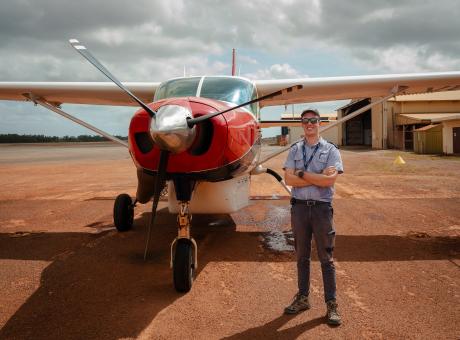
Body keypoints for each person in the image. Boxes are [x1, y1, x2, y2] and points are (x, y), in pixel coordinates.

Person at [283, 108, 343, 326]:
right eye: (306, 121)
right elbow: (288, 180)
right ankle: (303, 297)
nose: (310, 124)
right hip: (299, 209)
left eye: (313, 120)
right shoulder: (295, 149)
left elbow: (329, 181)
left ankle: (332, 304)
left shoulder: (331, 150)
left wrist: (300, 174)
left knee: (326, 258)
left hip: (321, 209)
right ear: (302, 124)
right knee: (302, 256)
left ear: (320, 123)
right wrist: (316, 177)